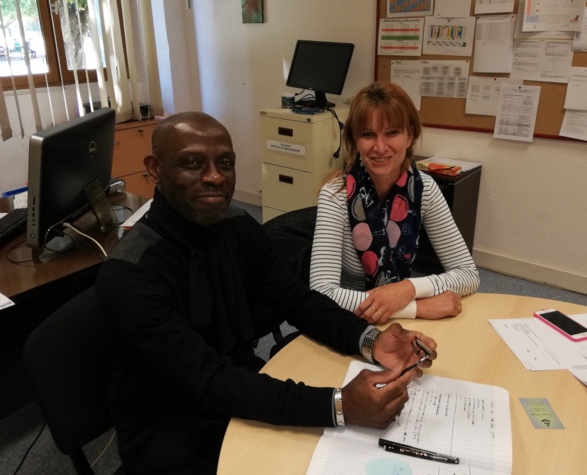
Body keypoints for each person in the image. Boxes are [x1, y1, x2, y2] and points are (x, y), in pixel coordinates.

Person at [95, 111, 438, 474]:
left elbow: (297, 300)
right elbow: (208, 378)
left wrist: (370, 340)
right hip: (173, 429)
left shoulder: (238, 228)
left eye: (225, 163)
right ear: (155, 169)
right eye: (192, 163)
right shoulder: (130, 273)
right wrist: (338, 406)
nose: (214, 176)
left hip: (239, 391)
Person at [310, 81, 479, 324]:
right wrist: (415, 307)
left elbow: (468, 274)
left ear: (409, 136)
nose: (380, 147)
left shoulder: (425, 189)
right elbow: (321, 294)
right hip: (347, 322)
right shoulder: (334, 196)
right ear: (355, 139)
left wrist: (408, 288)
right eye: (368, 134)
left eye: (391, 133)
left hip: (396, 321)